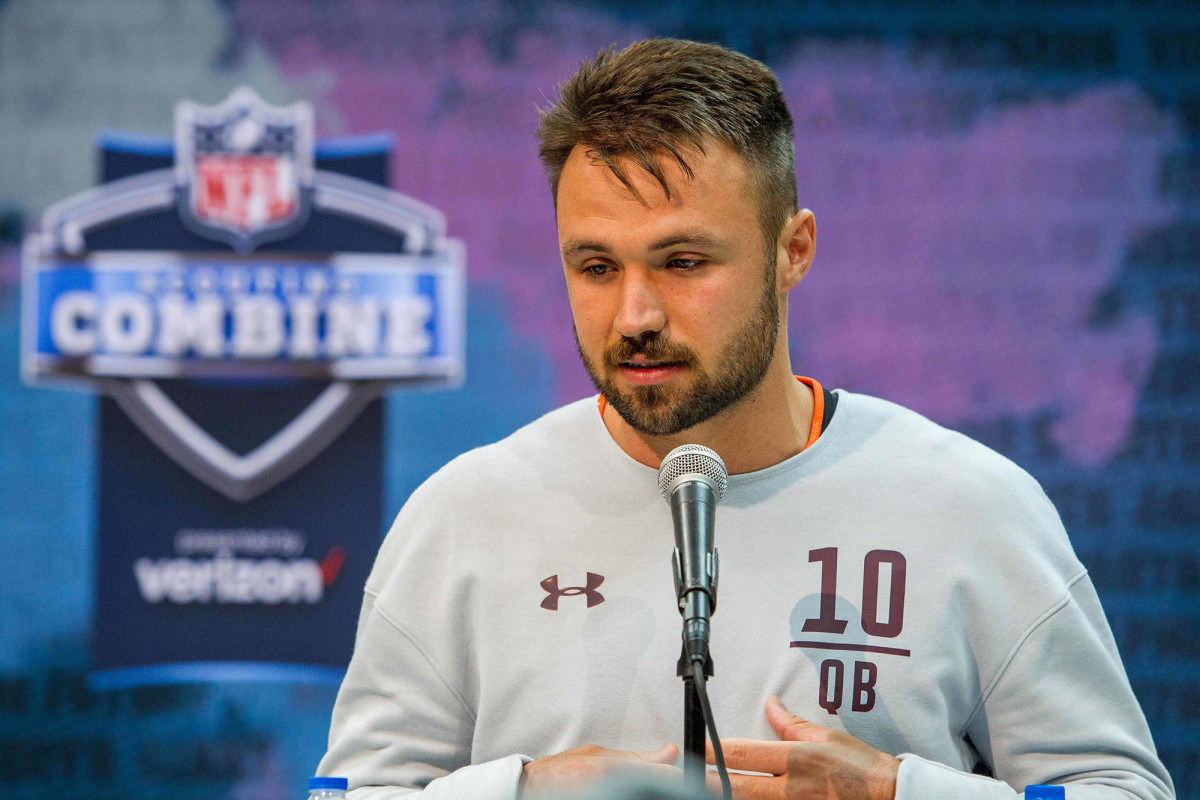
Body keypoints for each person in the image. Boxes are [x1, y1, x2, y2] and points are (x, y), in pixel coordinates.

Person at [318, 39, 1175, 800]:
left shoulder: (971, 507)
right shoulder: (465, 516)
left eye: (684, 261)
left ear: (791, 251)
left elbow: (1122, 791)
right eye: (596, 266)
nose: (635, 315)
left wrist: (898, 793)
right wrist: (527, 791)